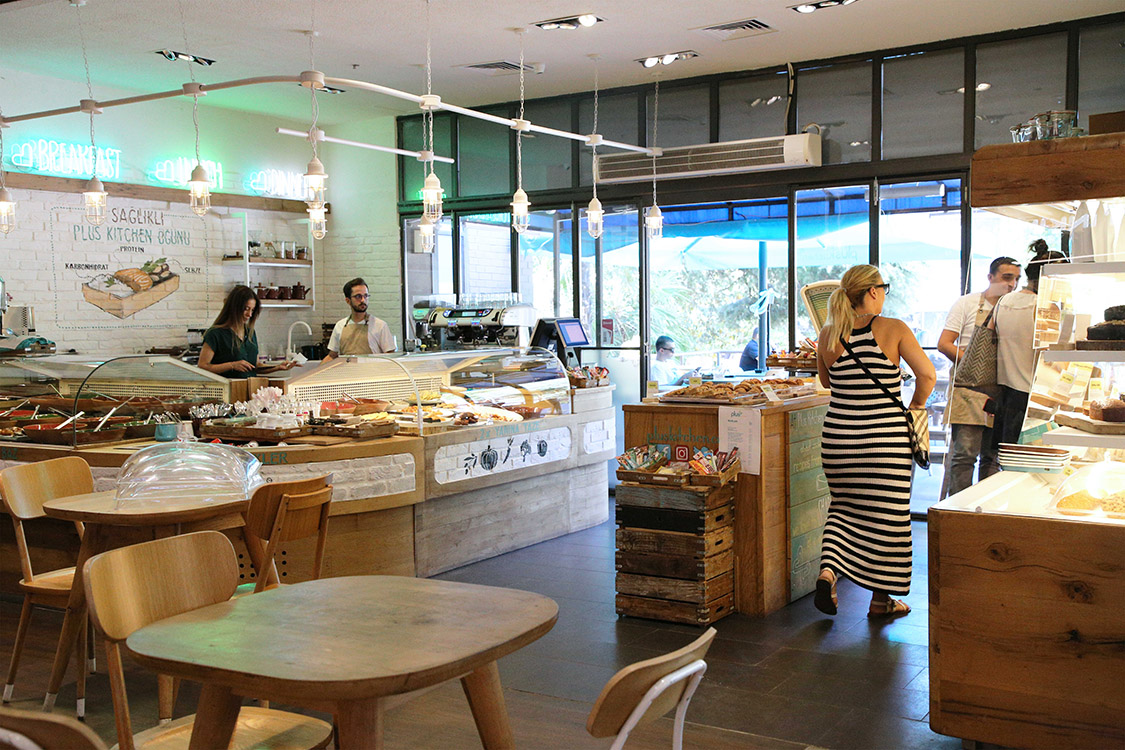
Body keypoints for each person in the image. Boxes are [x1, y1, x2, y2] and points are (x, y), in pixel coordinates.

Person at [813, 265, 936, 619]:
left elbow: (826, 382)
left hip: (838, 440)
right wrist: (916, 405)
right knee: (889, 517)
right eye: (884, 289)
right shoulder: (893, 329)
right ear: (871, 292)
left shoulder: (828, 333)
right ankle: (881, 601)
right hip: (884, 442)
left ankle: (828, 573)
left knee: (842, 509)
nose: (884, 295)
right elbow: (927, 375)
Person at [937, 256, 1022, 495]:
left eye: (1016, 279)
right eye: (1007, 277)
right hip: (969, 392)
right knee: (964, 455)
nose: (1012, 284)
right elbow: (944, 343)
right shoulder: (967, 303)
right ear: (990, 277)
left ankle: (985, 508)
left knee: (993, 457)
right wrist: (973, 362)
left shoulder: (1015, 310)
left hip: (1002, 390)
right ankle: (957, 509)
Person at [990, 241, 1068, 446]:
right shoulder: (1046, 308)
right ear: (1052, 279)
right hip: (1034, 400)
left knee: (1007, 458)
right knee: (1033, 459)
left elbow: (993, 338)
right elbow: (1051, 357)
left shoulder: (1003, 301)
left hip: (1006, 395)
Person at [198, 285, 295, 378]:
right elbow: (203, 366)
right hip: (228, 387)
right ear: (234, 307)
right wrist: (232, 365)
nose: (249, 314)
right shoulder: (215, 334)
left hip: (250, 386)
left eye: (252, 310)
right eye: (246, 309)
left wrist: (278, 367)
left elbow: (255, 366)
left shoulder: (250, 333)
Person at [325, 278, 395, 358]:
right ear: (348, 300)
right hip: (347, 366)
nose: (363, 300)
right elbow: (332, 356)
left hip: (372, 366)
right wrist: (319, 366)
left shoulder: (380, 325)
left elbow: (390, 356)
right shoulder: (340, 326)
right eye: (358, 296)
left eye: (365, 296)